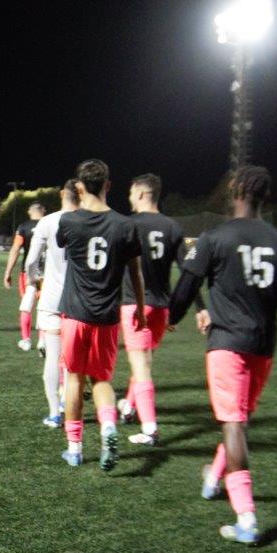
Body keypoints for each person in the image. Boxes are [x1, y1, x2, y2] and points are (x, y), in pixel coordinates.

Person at [168, 165, 277, 544]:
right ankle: (214, 477)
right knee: (239, 420)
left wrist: (170, 318)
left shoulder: (215, 237)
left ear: (234, 191)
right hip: (263, 348)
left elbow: (186, 285)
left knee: (233, 423)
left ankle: (246, 517)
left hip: (227, 343)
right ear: (265, 196)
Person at [56, 160, 145, 471]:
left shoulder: (69, 221)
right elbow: (135, 273)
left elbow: (63, 246)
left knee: (74, 378)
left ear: (80, 187)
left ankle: (75, 448)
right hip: (107, 315)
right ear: (108, 185)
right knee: (102, 379)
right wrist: (141, 311)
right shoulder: (125, 226)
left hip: (74, 313)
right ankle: (108, 428)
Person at [117, 174, 185, 446]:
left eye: (132, 193)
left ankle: (150, 428)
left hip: (136, 306)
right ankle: (129, 407)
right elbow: (187, 271)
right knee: (143, 363)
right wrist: (185, 309)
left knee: (141, 367)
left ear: (142, 194)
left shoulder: (128, 224)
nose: (130, 198)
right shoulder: (173, 227)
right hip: (162, 308)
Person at [24, 180, 78, 427]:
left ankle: (55, 413)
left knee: (53, 357)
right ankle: (68, 402)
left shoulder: (47, 221)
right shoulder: (90, 221)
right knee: (73, 358)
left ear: (62, 194)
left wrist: (34, 279)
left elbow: (31, 261)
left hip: (52, 299)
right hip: (79, 300)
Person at [4, 202, 45, 350]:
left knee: (26, 305)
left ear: (29, 211)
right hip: (47, 273)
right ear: (43, 211)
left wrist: (8, 272)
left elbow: (15, 250)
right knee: (44, 307)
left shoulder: (23, 227)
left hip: (28, 272)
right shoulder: (50, 224)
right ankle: (42, 341)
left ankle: (26, 340)